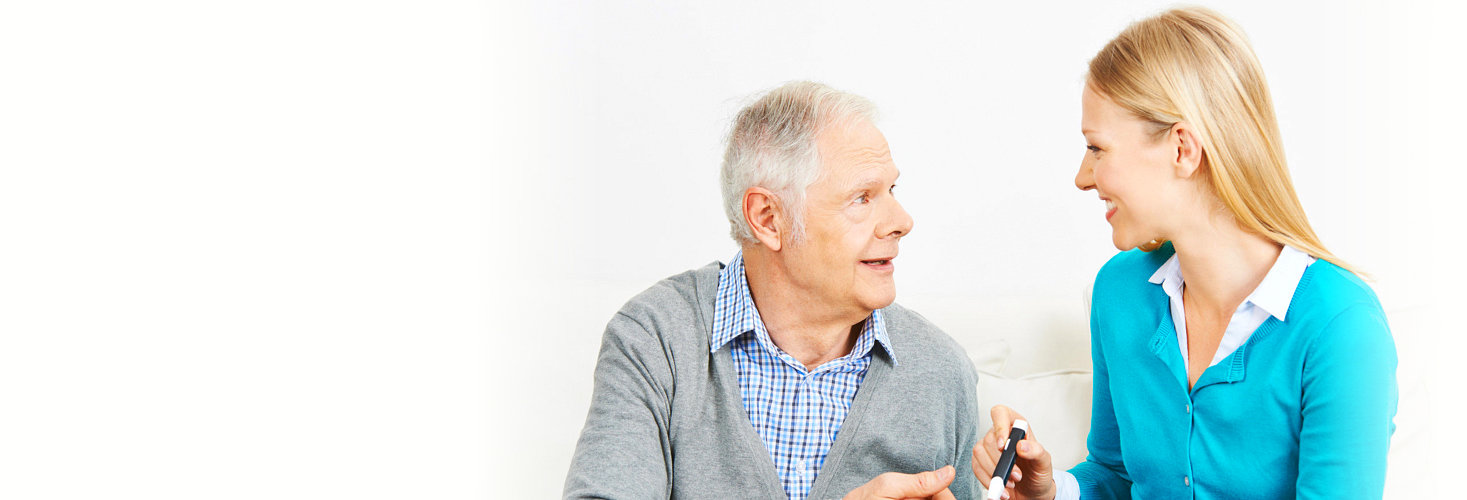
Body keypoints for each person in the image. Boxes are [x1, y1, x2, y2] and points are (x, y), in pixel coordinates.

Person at [971, 8, 1398, 499]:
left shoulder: (1340, 326)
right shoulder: (1120, 292)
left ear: (1182, 149)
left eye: (1097, 148)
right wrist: (1051, 493)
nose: (1082, 177)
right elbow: (1118, 474)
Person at [565, 81, 979, 500]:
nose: (902, 221)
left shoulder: (942, 371)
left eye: (891, 190)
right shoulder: (656, 339)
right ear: (767, 218)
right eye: (861, 197)